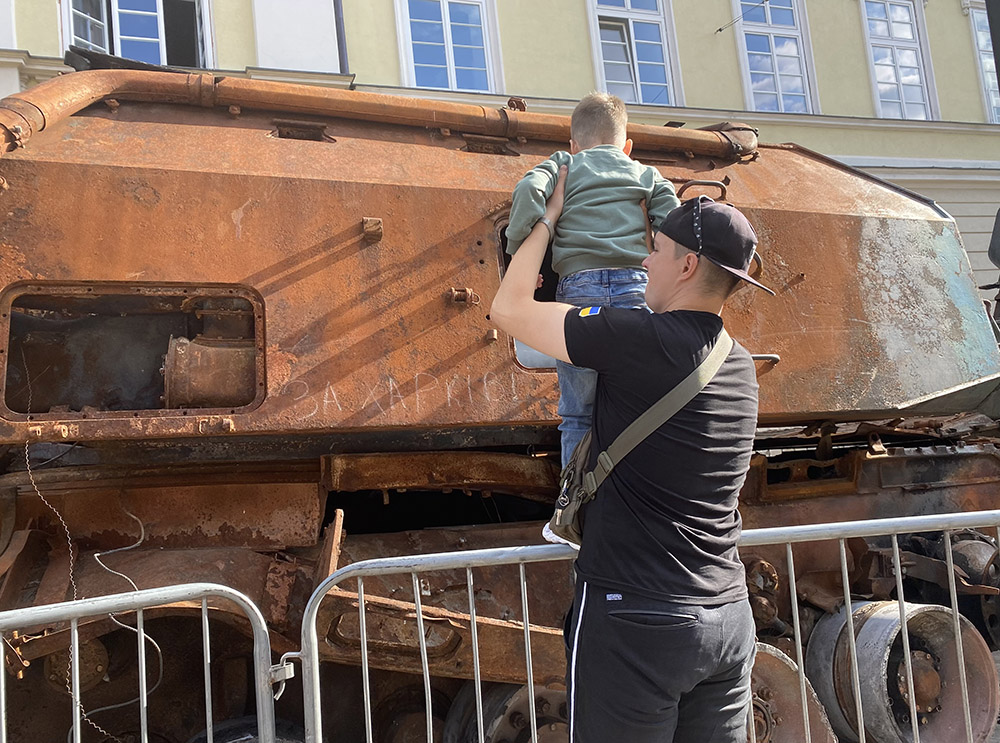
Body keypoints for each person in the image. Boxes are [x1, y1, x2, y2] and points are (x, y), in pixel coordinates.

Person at [491, 165, 775, 743]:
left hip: (638, 619)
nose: (645, 261)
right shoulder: (741, 364)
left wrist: (546, 222)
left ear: (688, 265)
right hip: (726, 613)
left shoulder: (637, 340)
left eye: (657, 249)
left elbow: (510, 310)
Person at [505, 92, 680, 467]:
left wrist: (521, 254)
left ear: (573, 143)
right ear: (627, 146)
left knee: (579, 413)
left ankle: (574, 509)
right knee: (641, 408)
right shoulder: (644, 173)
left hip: (579, 292)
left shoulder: (563, 163)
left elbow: (527, 191)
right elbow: (672, 220)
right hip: (636, 289)